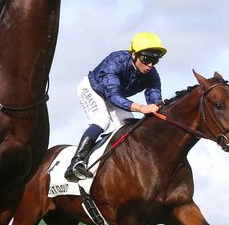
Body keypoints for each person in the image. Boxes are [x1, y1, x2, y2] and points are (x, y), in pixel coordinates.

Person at [64, 32, 166, 181]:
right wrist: (141, 108)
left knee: (129, 126)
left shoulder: (152, 75)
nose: (150, 65)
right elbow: (112, 95)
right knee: (101, 120)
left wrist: (158, 108)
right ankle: (75, 164)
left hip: (115, 96)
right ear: (133, 54)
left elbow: (155, 100)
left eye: (154, 60)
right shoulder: (116, 61)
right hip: (93, 89)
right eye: (146, 58)